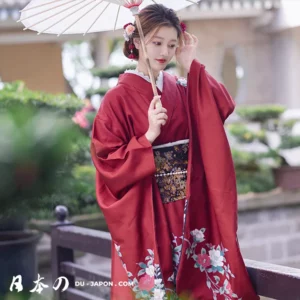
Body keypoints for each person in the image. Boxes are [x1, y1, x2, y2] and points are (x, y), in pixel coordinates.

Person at [91, 4, 259, 300]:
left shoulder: (180, 86)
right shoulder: (116, 100)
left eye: (171, 44)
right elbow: (107, 161)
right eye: (157, 43)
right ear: (137, 42)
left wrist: (191, 63)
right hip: (150, 206)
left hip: (190, 204)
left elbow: (219, 106)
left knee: (198, 283)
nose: (164, 52)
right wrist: (147, 137)